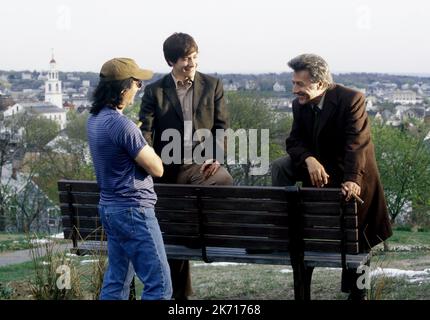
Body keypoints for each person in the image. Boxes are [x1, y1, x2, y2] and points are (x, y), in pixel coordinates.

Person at [271, 54, 392, 300]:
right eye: (293, 83)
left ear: (322, 83)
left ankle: (357, 292)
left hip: (352, 170)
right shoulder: (300, 105)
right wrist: (309, 159)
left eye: (300, 85)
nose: (295, 90)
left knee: (359, 238)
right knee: (280, 167)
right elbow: (294, 141)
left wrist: (351, 180)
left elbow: (356, 144)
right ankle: (288, 225)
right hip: (319, 167)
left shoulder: (352, 99)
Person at [139, 32, 233, 300]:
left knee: (222, 181)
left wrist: (216, 156)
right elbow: (146, 132)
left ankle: (198, 243)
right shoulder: (155, 91)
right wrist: (150, 162)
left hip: (203, 166)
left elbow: (222, 127)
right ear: (171, 61)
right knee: (175, 230)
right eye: (184, 58)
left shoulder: (213, 85)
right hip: (167, 170)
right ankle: (178, 294)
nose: (191, 63)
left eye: (194, 57)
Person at [87, 57, 172, 300]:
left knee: (117, 281)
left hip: (110, 210)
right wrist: (139, 138)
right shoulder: (123, 126)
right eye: (137, 83)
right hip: (134, 211)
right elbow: (157, 168)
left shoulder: (94, 119)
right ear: (124, 88)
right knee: (160, 285)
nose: (139, 88)